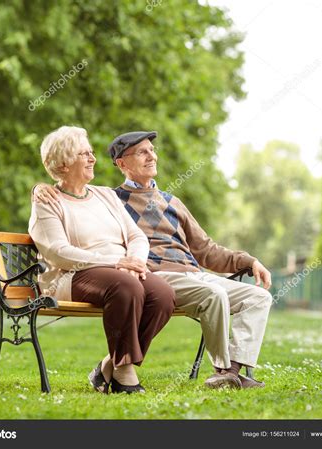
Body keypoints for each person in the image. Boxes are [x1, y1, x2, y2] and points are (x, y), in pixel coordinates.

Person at [34, 130, 272, 390]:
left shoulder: (165, 202)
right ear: (122, 164)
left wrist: (249, 262)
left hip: (178, 273)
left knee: (258, 297)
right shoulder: (116, 197)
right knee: (206, 293)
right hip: (144, 274)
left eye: (152, 150)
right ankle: (220, 371)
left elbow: (205, 250)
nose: (152, 156)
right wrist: (40, 187)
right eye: (142, 152)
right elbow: (63, 223)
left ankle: (233, 372)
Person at [29, 126, 175, 394]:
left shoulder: (105, 195)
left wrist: (135, 260)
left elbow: (136, 236)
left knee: (163, 294)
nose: (93, 158)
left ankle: (111, 363)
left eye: (91, 152)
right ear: (62, 163)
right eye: (84, 154)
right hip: (71, 275)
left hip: (120, 270)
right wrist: (115, 263)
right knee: (126, 287)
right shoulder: (47, 201)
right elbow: (57, 251)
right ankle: (124, 375)